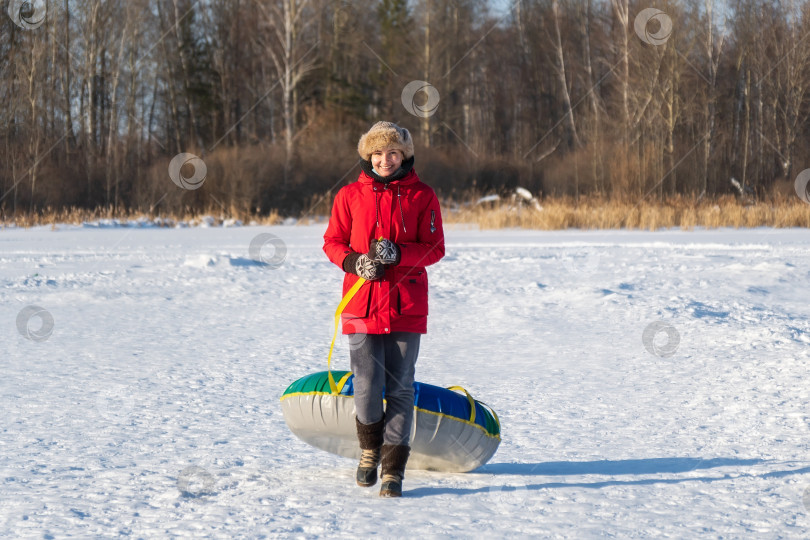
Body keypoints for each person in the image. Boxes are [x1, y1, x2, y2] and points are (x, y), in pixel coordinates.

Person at [323, 121, 445, 497]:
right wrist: (354, 262)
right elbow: (332, 242)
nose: (384, 160)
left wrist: (398, 255)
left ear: (404, 154)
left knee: (401, 387)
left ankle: (393, 470)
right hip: (361, 306)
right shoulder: (348, 195)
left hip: (406, 305)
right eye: (377, 153)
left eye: (392, 152)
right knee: (365, 385)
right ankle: (368, 451)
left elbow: (435, 247)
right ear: (367, 156)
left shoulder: (423, 195)